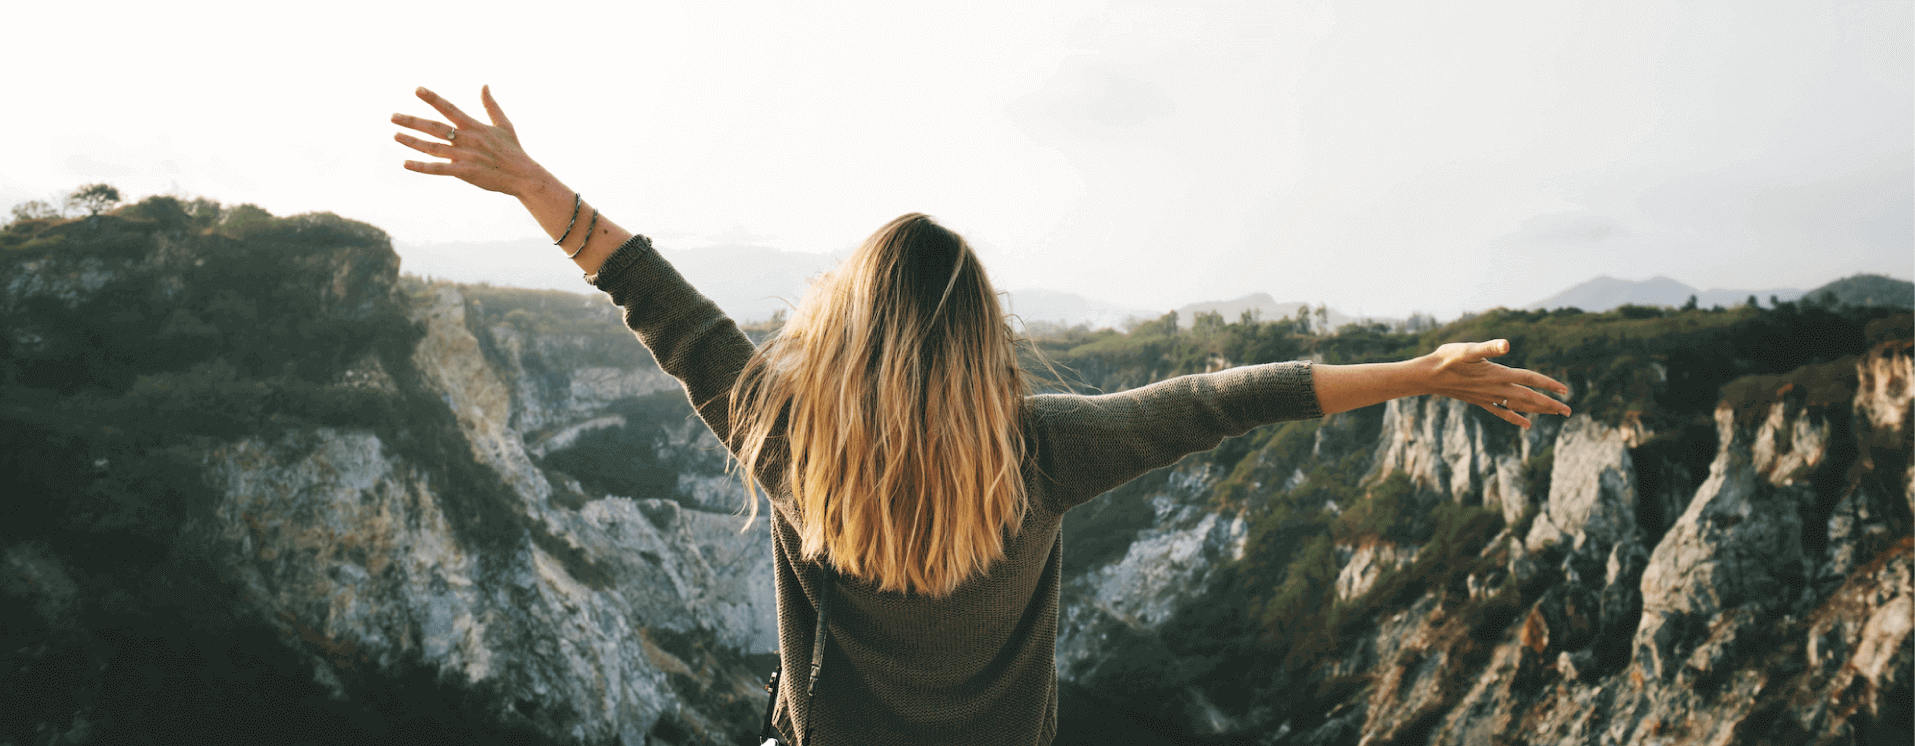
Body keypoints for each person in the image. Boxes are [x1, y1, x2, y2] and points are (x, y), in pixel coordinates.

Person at [392, 86, 1572, 746]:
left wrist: (532, 182)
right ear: (981, 339)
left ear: (843, 332)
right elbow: (1227, 398)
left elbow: (651, 296)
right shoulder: (1043, 451)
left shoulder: (788, 437)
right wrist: (1418, 370)